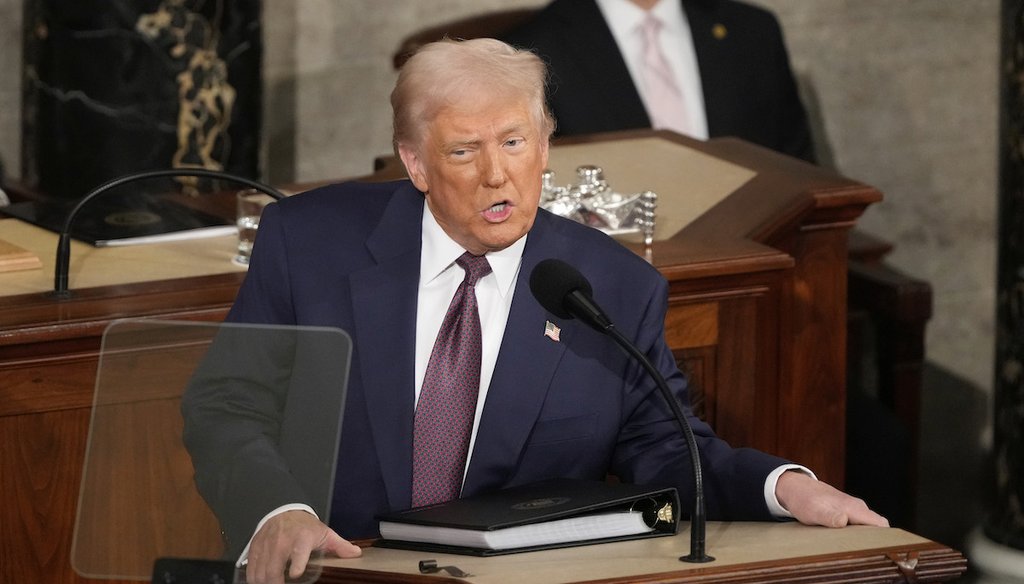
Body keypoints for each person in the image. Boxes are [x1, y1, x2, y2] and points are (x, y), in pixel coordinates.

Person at [182, 37, 885, 584]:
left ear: (544, 145)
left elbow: (668, 450)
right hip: (338, 569)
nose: (498, 173)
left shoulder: (610, 287)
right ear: (416, 163)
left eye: (515, 142)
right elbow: (227, 404)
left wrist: (782, 486)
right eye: (464, 150)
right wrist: (276, 512)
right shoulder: (310, 245)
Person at [500, 0, 816, 162]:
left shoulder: (753, 31)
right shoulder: (529, 53)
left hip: (759, 260)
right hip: (613, 272)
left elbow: (799, 169)